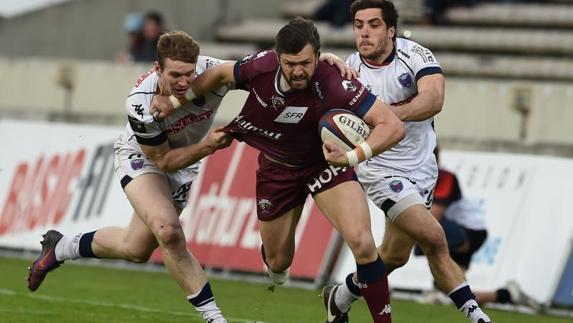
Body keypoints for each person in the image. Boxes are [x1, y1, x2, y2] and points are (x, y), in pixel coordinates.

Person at [152, 17, 405, 323]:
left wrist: (353, 157)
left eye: (306, 63)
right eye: (290, 63)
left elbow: (392, 126)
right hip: (278, 169)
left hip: (325, 165)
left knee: (364, 244)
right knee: (279, 264)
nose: (298, 71)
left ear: (318, 56)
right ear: (277, 58)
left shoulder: (335, 82)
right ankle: (284, 265)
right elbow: (219, 73)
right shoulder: (260, 68)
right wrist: (178, 100)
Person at [27, 31, 232, 323]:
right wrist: (209, 145)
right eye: (175, 75)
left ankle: (62, 247)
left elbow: (260, 69)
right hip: (144, 158)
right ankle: (214, 318)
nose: (184, 82)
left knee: (136, 249)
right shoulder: (140, 102)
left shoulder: (213, 71)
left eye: (189, 74)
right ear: (157, 68)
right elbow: (163, 160)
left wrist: (321, 61)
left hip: (186, 164)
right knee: (169, 232)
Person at [320, 1, 492, 323]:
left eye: (373, 25)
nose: (364, 33)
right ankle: (477, 316)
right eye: (358, 25)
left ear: (391, 30)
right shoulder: (350, 69)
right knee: (435, 238)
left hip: (422, 168)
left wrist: (386, 117)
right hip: (379, 168)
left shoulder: (415, 56)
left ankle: (340, 296)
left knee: (394, 256)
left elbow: (433, 99)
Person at [422, 147, 541, 310]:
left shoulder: (444, 177)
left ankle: (437, 290)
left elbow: (432, 217)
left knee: (420, 232)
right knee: (453, 292)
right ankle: (507, 295)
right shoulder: (420, 177)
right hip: (458, 229)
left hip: (468, 231)